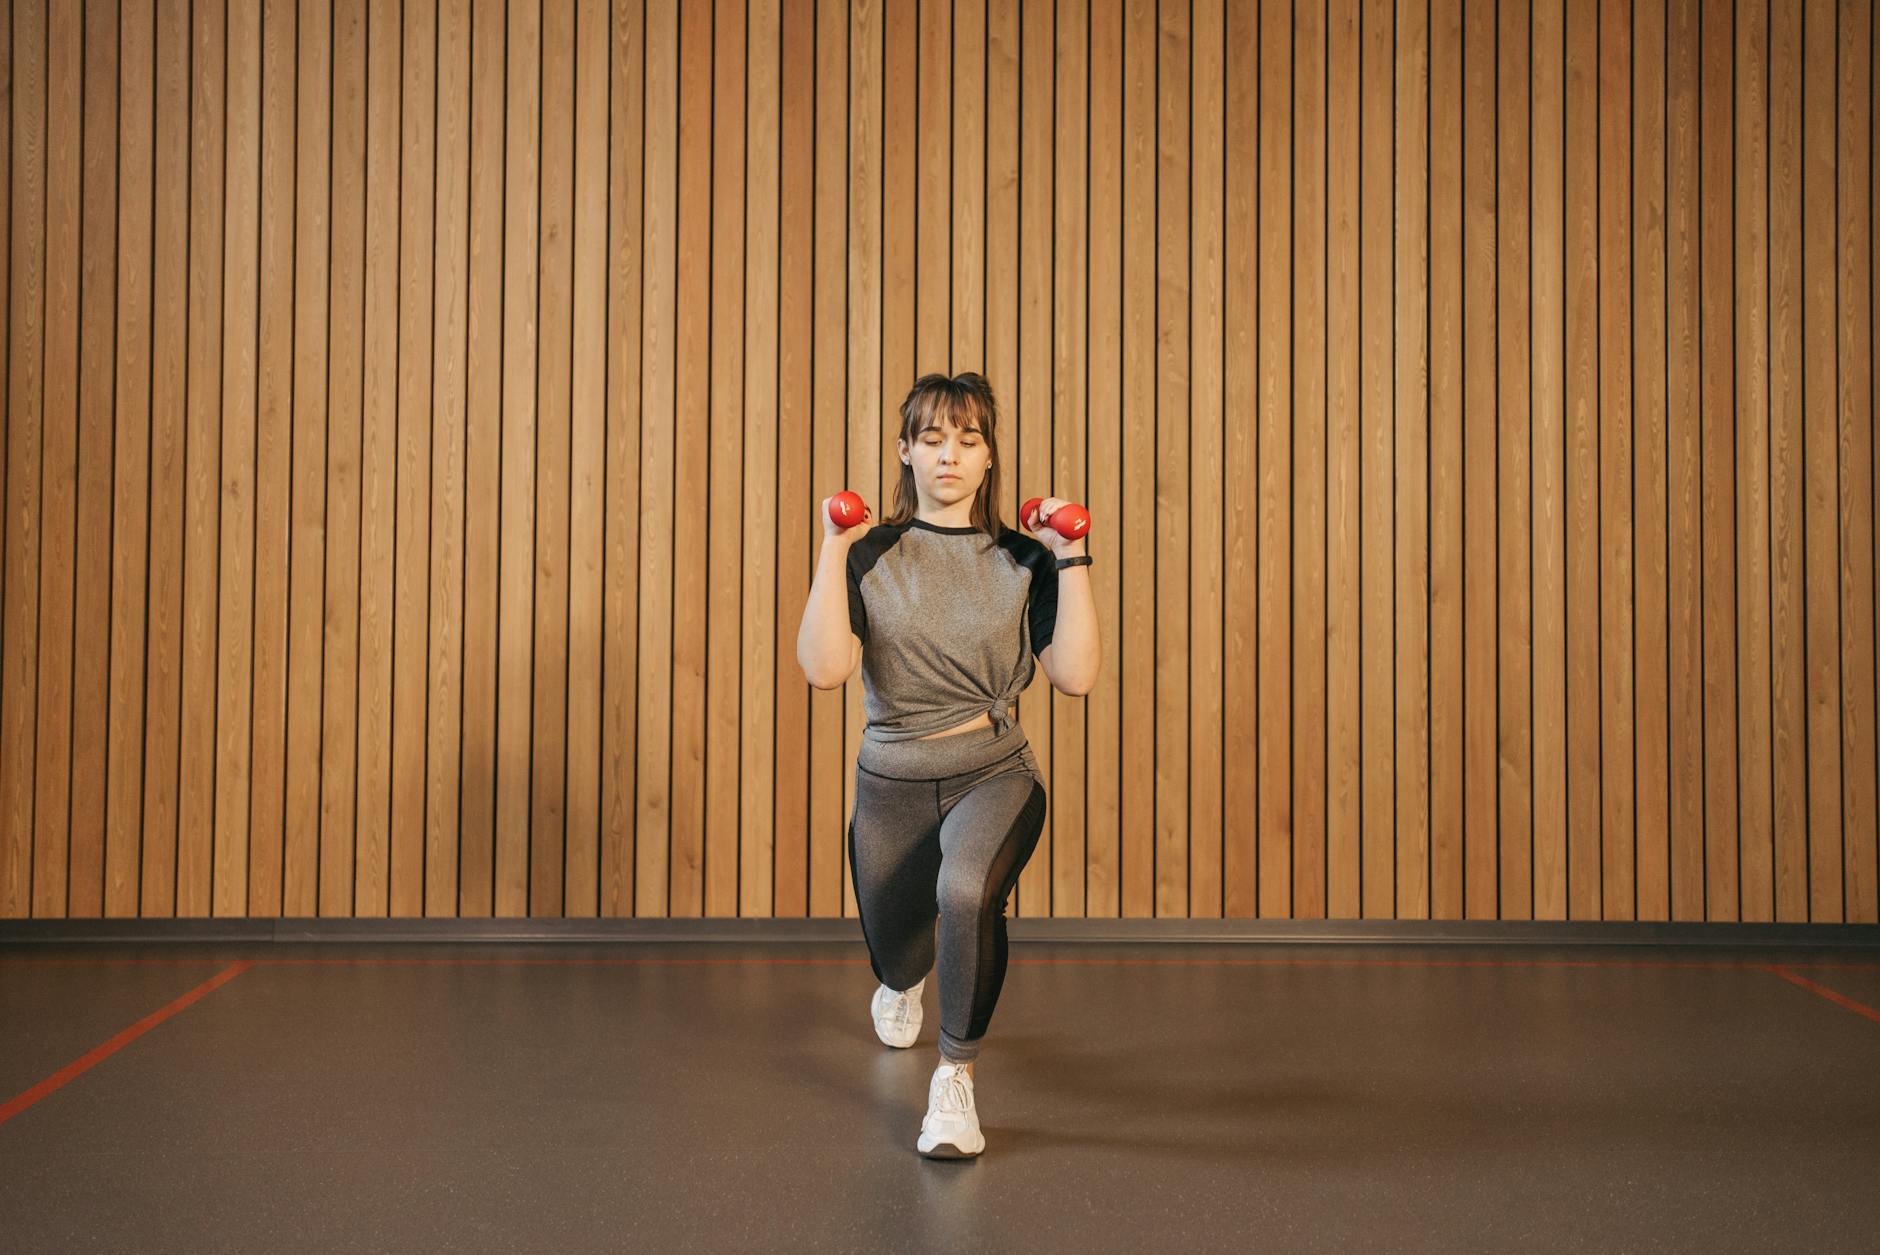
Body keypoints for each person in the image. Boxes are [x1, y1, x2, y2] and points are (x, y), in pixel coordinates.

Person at [794, 371, 1100, 1159]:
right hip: (890, 779)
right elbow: (824, 668)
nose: (949, 456)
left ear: (989, 457)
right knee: (898, 950)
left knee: (965, 890)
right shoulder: (871, 553)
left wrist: (1073, 558)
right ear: (905, 452)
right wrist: (832, 546)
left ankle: (955, 1082)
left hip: (992, 769)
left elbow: (1075, 676)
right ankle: (903, 981)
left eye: (967, 440)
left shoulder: (1023, 558)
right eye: (931, 440)